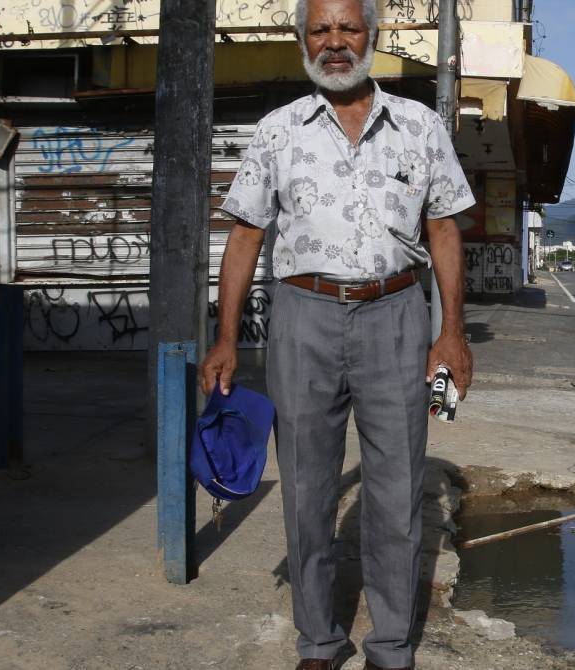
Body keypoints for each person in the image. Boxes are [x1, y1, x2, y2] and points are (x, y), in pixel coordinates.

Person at [198, 0, 474, 667]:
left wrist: (452, 333)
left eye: (348, 28)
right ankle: (319, 639)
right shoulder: (277, 130)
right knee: (307, 485)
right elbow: (244, 235)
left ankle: (389, 645)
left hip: (399, 315)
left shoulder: (420, 126)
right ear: (302, 40)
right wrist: (227, 337)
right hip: (303, 317)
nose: (335, 42)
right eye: (319, 29)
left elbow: (443, 229)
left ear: (373, 37)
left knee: (399, 491)